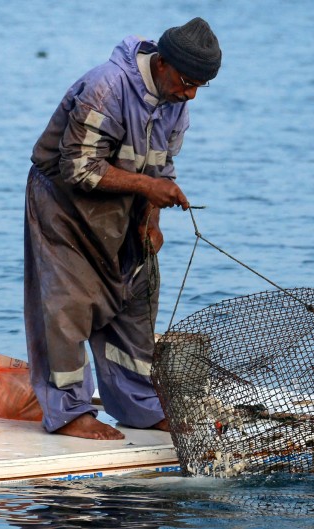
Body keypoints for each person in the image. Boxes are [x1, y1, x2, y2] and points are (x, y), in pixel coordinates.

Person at [24, 18, 222, 440]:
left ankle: (139, 405)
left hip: (125, 205)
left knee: (137, 297)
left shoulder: (177, 102)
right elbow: (77, 167)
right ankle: (69, 411)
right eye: (187, 81)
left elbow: (162, 168)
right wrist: (150, 187)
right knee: (68, 304)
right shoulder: (106, 88)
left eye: (199, 87)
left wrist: (152, 220)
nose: (189, 94)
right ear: (163, 63)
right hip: (64, 205)